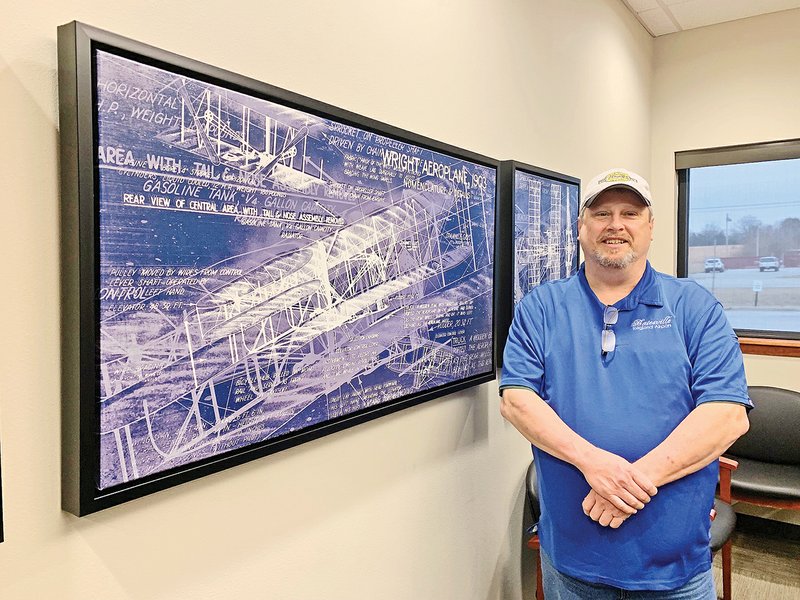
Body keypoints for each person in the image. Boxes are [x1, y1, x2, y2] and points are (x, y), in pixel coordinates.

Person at [500, 168, 751, 599]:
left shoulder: (694, 307)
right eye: (601, 213)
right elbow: (517, 400)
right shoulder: (540, 307)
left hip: (674, 567)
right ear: (581, 228)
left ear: (650, 227)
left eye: (630, 213)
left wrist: (628, 482)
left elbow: (727, 415)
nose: (615, 224)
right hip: (572, 560)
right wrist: (594, 463)